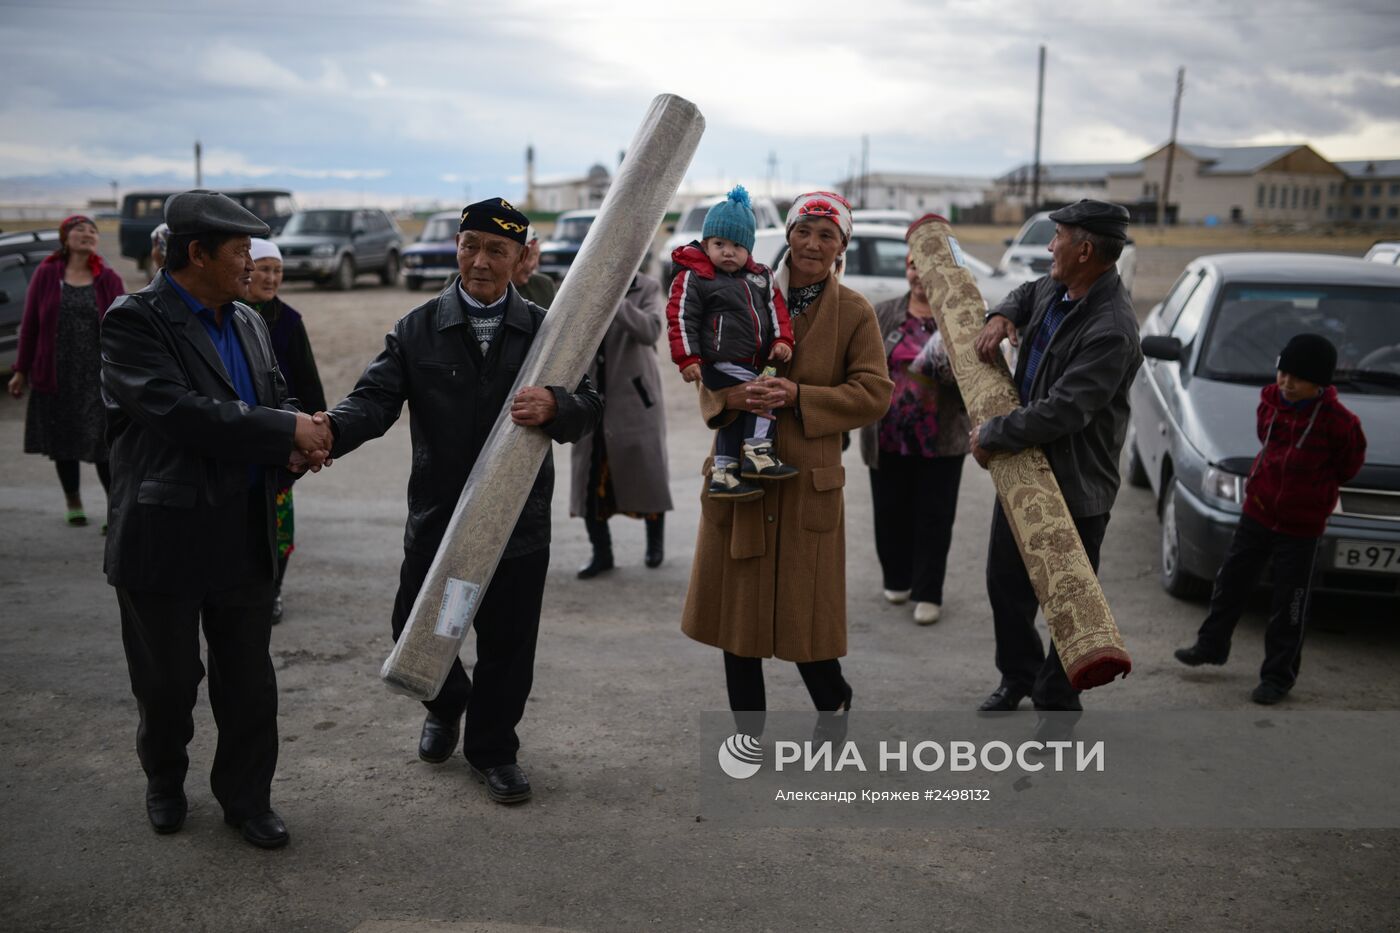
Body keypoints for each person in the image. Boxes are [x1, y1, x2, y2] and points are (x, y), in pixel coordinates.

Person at [323, 198, 601, 806]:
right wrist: (325, 434)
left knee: (507, 644)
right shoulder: (418, 328)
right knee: (416, 628)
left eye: (496, 250)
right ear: (456, 244)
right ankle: (446, 704)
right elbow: (373, 401)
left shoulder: (547, 332)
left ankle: (494, 750)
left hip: (516, 522)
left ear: (521, 256)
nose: (479, 261)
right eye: (470, 245)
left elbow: (591, 404)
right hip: (439, 516)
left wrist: (560, 406)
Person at [100, 190, 334, 849]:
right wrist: (283, 428)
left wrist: (295, 440)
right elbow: (180, 414)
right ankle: (165, 779)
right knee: (169, 684)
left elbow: (274, 394)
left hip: (244, 533)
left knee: (249, 684)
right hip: (164, 540)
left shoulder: (251, 320)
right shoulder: (134, 320)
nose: (251, 264)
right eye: (239, 253)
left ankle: (247, 798)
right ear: (196, 253)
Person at [681, 190, 892, 740]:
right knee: (739, 619)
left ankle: (834, 700)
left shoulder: (855, 312)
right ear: (788, 234)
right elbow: (702, 366)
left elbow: (874, 394)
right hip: (739, 476)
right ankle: (747, 735)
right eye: (804, 231)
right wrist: (729, 401)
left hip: (807, 483)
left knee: (805, 616)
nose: (813, 245)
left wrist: (800, 396)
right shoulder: (738, 286)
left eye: (828, 236)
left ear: (842, 246)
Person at [970, 199, 1143, 718]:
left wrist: (993, 433)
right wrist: (1003, 314)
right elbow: (1027, 290)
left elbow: (1065, 410)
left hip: (1075, 485)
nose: (1049, 246)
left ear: (1085, 249)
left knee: (1066, 602)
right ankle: (1017, 677)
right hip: (1026, 473)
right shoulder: (1059, 287)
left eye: (1058, 237)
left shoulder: (1112, 326)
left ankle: (1057, 699)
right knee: (1006, 586)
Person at [1175, 334, 1366, 705]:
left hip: (1302, 527)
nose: (1287, 383)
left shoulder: (1341, 423)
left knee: (1289, 602)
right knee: (1230, 581)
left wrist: (1314, 492)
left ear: (1321, 383)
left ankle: (1278, 676)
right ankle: (1211, 645)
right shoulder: (1270, 404)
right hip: (1258, 511)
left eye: (1298, 378)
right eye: (1283, 373)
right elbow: (1266, 438)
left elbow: (1349, 465)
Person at [861, 231, 971, 626]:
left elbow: (977, 377)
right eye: (912, 266)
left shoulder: (960, 318)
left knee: (934, 517)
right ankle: (897, 577)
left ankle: (929, 592)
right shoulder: (884, 313)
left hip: (940, 440)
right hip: (888, 436)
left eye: (927, 268)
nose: (918, 275)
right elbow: (861, 367)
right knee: (889, 511)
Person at [666, 185, 795, 500]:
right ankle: (758, 453)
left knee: (736, 412)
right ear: (706, 243)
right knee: (765, 393)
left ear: (749, 248)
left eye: (737, 245)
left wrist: (781, 339)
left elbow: (776, 310)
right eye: (719, 243)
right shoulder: (696, 278)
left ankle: (724, 471)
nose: (727, 252)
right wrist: (687, 359)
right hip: (721, 362)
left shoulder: (761, 277)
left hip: (751, 361)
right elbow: (681, 318)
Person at [9, 214, 125, 528]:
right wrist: (21, 369)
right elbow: (30, 325)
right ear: (65, 237)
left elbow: (125, 328)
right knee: (62, 439)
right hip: (56, 372)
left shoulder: (109, 278)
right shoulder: (46, 274)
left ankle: (115, 510)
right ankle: (73, 501)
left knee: (103, 444)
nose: (87, 233)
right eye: (79, 229)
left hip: (97, 376)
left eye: (93, 230)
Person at [244, 237, 328, 623]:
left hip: (281, 441)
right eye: (264, 268)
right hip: (239, 436)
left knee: (277, 522)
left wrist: (314, 434)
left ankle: (272, 592)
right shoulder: (225, 315)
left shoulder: (289, 321)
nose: (272, 277)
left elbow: (309, 384)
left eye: (277, 270)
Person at [571, 269, 673, 578]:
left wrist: (615, 298)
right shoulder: (583, 284)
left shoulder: (648, 287)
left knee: (648, 473)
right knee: (589, 479)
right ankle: (602, 553)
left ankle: (655, 545)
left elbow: (651, 330)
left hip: (636, 400)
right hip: (591, 399)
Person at [512, 225, 556, 308]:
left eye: (538, 256)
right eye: (531, 257)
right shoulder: (487, 290)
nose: (535, 266)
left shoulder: (544, 286)